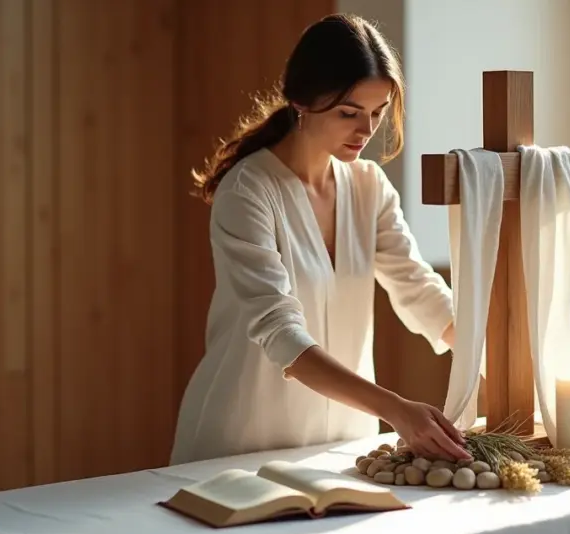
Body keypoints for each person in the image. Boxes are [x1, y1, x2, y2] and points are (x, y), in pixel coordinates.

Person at [170, 13, 470, 466]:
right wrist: (396, 409)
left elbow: (419, 289)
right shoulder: (248, 190)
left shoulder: (369, 186)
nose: (366, 131)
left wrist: (487, 354)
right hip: (244, 442)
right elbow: (280, 333)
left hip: (342, 447)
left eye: (378, 112)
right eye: (349, 113)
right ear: (301, 102)